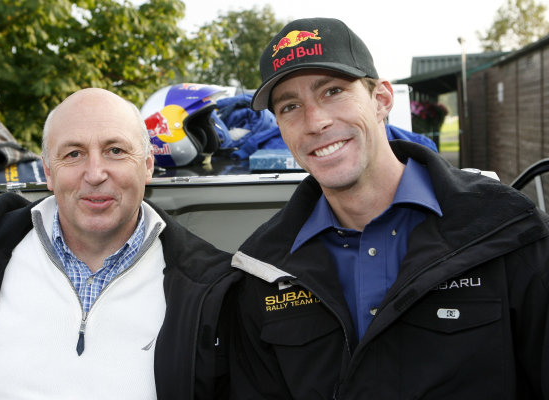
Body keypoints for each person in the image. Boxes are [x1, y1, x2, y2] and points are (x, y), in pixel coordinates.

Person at [228, 17, 549, 399]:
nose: (315, 121)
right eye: (290, 106)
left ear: (381, 100)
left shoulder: (504, 228)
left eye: (333, 91)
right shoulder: (262, 270)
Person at [0, 88, 239, 400]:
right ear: (48, 172)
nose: (95, 174)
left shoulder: (213, 287)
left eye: (115, 151)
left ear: (147, 166)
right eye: (74, 154)